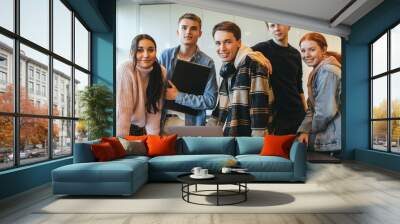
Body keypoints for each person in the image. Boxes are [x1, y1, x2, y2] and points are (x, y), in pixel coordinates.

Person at [210, 21, 274, 137]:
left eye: (227, 42)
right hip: (232, 135)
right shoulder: (228, 68)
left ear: (239, 42)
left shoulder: (253, 63)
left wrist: (257, 143)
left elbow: (259, 105)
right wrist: (209, 130)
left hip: (248, 139)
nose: (222, 48)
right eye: (218, 43)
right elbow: (222, 107)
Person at [159, 13, 218, 131]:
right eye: (184, 27)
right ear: (178, 31)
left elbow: (210, 101)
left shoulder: (207, 62)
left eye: (194, 28)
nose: (188, 32)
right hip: (162, 122)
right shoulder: (165, 56)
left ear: (200, 34)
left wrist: (178, 96)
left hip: (191, 125)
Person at [252, 22, 307, 135]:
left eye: (280, 24)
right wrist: (258, 56)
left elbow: (298, 85)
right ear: (269, 29)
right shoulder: (262, 48)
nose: (277, 28)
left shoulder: (296, 54)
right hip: (274, 114)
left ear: (289, 26)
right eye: (272, 26)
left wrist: (305, 112)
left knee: (296, 151)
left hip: (296, 112)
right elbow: (242, 54)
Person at [297, 32, 341, 152]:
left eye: (312, 50)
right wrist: (304, 130)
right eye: (303, 51)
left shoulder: (327, 71)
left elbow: (325, 111)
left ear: (324, 49)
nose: (307, 55)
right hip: (327, 137)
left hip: (334, 139)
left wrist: (310, 133)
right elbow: (312, 109)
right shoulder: (317, 72)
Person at [116, 34, 166, 136]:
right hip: (124, 126)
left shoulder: (161, 71)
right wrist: (121, 143)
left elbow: (154, 111)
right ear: (132, 52)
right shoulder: (125, 68)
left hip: (143, 128)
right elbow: (124, 112)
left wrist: (154, 142)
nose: (146, 55)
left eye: (151, 50)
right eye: (140, 50)